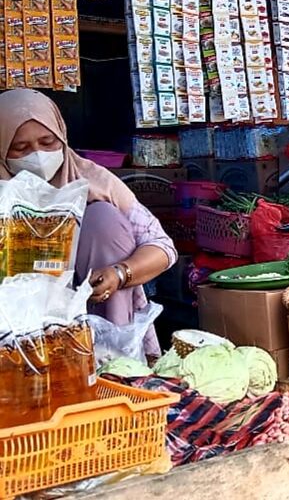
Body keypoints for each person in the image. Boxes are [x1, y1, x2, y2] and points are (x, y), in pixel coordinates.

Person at [0, 89, 176, 358]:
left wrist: (120, 274)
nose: (38, 155)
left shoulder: (93, 180)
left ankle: (114, 359)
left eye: (48, 142)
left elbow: (162, 247)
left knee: (103, 219)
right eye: (21, 148)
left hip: (94, 311)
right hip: (16, 329)